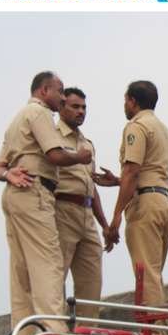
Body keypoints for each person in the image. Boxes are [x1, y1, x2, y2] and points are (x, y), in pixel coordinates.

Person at [0, 71, 92, 335]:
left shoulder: (17, 119)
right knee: (48, 265)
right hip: (35, 192)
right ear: (44, 90)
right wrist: (81, 157)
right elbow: (55, 154)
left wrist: (8, 174)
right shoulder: (39, 114)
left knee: (21, 273)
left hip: (16, 195)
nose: (62, 98)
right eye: (60, 92)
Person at [94, 81, 168, 307]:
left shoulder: (136, 126)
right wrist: (119, 182)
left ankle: (154, 332)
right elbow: (150, 172)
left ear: (132, 101)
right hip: (165, 201)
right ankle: (158, 327)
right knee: (154, 272)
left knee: (146, 274)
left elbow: (132, 170)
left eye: (125, 100)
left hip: (146, 205)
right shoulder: (164, 130)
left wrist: (117, 215)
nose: (125, 105)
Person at [54, 88, 110, 317]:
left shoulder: (87, 143)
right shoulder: (52, 135)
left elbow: (91, 185)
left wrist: (105, 225)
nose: (81, 111)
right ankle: (52, 327)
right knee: (56, 275)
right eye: (75, 106)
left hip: (86, 212)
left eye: (84, 107)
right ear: (61, 107)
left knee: (92, 278)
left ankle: (86, 329)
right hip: (62, 208)